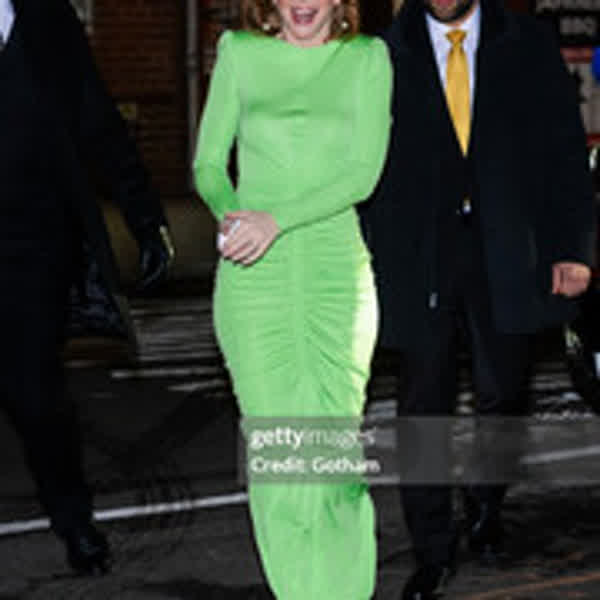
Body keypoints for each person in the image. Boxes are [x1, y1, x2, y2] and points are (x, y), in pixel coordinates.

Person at [359, 0, 596, 597]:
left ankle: (486, 500)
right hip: (419, 260)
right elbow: (360, 162)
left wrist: (574, 250)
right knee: (422, 405)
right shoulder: (382, 53)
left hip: (508, 251)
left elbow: (564, 152)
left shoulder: (528, 44)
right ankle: (432, 550)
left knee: (505, 390)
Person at [193, 0, 392, 597]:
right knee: (280, 456)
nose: (303, 3)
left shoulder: (368, 58)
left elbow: (363, 173)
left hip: (336, 275)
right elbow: (208, 164)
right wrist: (232, 216)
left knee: (333, 458)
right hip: (255, 278)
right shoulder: (240, 52)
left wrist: (276, 220)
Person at [0, 0, 173, 575]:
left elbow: (95, 117)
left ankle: (73, 519)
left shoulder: (47, 18)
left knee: (36, 396)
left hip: (33, 245)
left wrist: (145, 218)